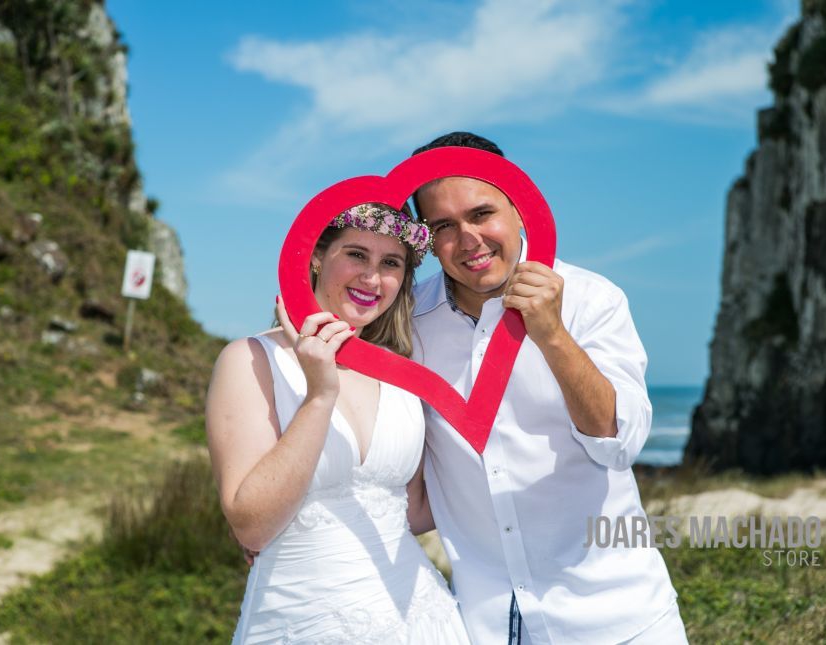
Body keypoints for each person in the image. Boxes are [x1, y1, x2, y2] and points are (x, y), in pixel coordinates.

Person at [408, 132, 689, 644]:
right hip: (482, 621)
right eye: (443, 225)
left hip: (614, 617)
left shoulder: (591, 299)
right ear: (425, 240)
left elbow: (617, 440)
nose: (468, 238)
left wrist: (552, 333)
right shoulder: (407, 325)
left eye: (481, 213)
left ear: (519, 209)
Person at [205, 203, 471, 644]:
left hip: (423, 619)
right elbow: (251, 525)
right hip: (302, 620)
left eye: (391, 263)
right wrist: (319, 395)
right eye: (356, 255)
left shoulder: (401, 373)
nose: (371, 278)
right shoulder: (250, 360)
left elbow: (418, 509)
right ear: (316, 257)